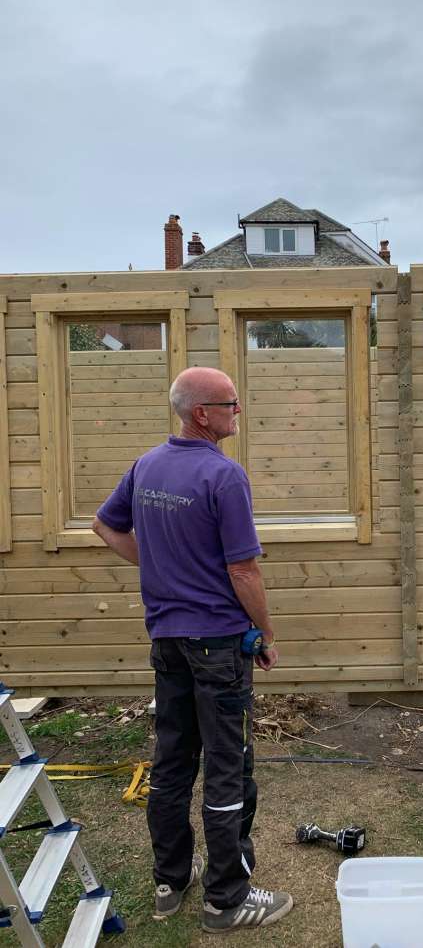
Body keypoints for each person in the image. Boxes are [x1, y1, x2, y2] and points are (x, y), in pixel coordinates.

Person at [93, 366, 293, 933]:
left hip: (168, 641)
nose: (238, 411)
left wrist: (161, 569)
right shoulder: (223, 477)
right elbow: (243, 569)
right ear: (202, 413)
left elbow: (104, 527)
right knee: (228, 765)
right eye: (231, 403)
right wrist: (268, 634)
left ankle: (170, 881)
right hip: (219, 645)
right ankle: (226, 899)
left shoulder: (146, 467)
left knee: (174, 760)